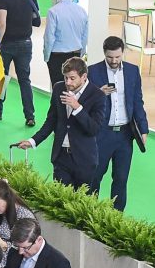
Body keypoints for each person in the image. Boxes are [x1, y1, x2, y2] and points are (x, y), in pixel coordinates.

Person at [18, 57, 108, 190]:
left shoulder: (97, 95)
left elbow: (94, 128)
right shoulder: (58, 88)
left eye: (72, 78)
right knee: (60, 199)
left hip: (84, 159)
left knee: (82, 200)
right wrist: (33, 141)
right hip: (61, 157)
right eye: (66, 78)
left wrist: (77, 107)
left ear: (84, 77)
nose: (68, 82)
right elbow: (51, 121)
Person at [86, 35, 149, 211]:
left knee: (121, 178)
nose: (114, 61)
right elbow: (83, 102)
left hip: (125, 134)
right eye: (110, 57)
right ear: (104, 53)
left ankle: (116, 217)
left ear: (123, 53)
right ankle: (88, 213)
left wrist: (143, 129)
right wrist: (98, 93)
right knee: (94, 176)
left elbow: (137, 101)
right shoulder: (92, 71)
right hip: (101, 133)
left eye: (117, 57)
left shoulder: (132, 71)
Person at [43, 0, 88, 87]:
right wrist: (81, 53)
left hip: (57, 56)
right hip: (76, 54)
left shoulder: (53, 11)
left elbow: (49, 37)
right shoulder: (82, 11)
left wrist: (47, 56)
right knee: (74, 87)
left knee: (58, 87)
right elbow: (85, 36)